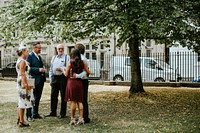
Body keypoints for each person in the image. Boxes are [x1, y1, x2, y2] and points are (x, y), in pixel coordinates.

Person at [63, 49, 90, 125]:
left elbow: (66, 74)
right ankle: (81, 118)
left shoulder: (70, 63)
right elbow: (88, 72)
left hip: (72, 83)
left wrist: (62, 70)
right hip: (79, 83)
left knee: (73, 101)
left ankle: (72, 119)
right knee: (80, 101)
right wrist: (80, 75)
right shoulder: (83, 63)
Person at [46, 44, 69, 118]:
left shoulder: (66, 57)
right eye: (59, 49)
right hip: (55, 78)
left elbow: (69, 67)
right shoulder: (54, 57)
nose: (61, 50)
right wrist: (50, 79)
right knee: (53, 95)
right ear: (56, 49)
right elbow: (51, 69)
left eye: (62, 48)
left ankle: (63, 113)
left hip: (63, 78)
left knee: (63, 96)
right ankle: (53, 112)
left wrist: (62, 69)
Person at [26, 42, 46, 120]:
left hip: (40, 80)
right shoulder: (30, 56)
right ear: (34, 48)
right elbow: (28, 68)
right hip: (33, 80)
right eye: (38, 48)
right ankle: (28, 115)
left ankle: (35, 113)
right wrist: (38, 69)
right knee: (31, 97)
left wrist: (42, 69)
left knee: (38, 97)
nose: (40, 49)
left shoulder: (39, 57)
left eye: (40, 48)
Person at [16, 45, 34, 127]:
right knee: (22, 101)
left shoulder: (21, 60)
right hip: (23, 82)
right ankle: (22, 121)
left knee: (21, 100)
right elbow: (23, 74)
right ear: (23, 52)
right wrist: (26, 84)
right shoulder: (22, 61)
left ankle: (20, 118)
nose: (28, 52)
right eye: (27, 51)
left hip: (20, 81)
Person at [74, 43, 90, 123]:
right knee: (81, 99)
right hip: (81, 80)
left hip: (83, 80)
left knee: (83, 99)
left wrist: (77, 76)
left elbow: (86, 72)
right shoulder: (80, 58)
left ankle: (85, 116)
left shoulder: (83, 59)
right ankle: (82, 116)